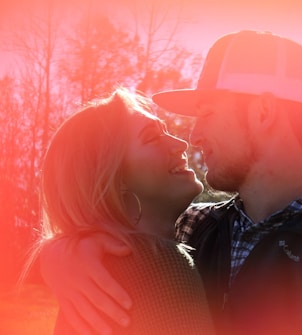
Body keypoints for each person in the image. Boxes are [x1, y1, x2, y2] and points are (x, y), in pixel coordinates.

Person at [40, 31, 302, 334]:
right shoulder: (193, 227)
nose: (196, 136)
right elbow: (116, 225)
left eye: (207, 113)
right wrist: (64, 251)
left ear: (263, 112)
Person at [31, 88, 215, 334]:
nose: (180, 143)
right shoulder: (161, 265)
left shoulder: (97, 267)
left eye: (166, 130)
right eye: (151, 137)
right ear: (115, 178)